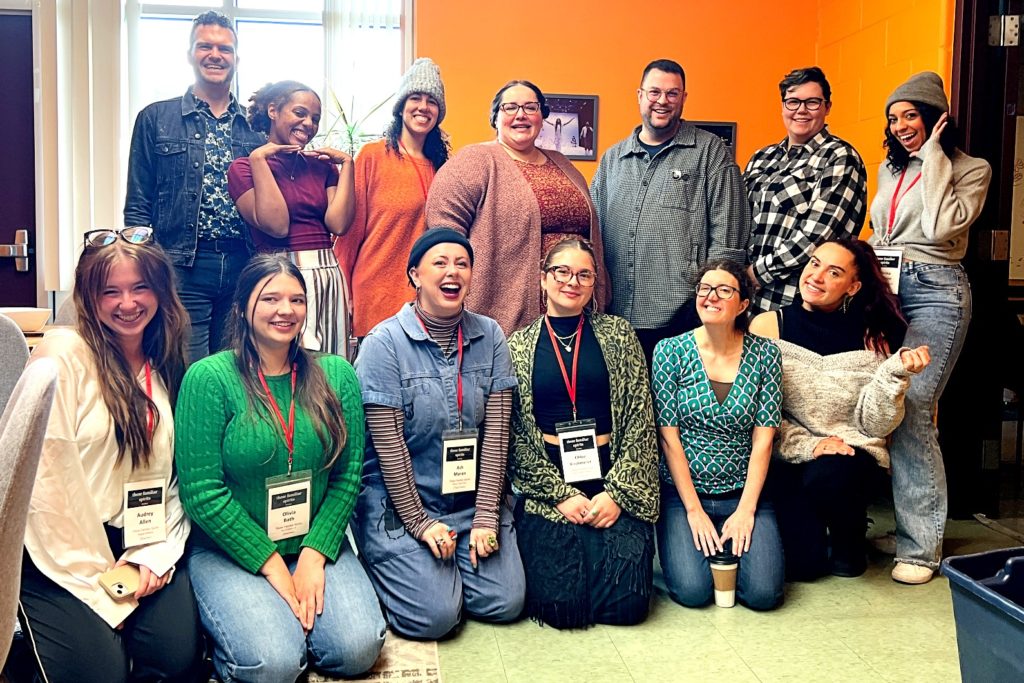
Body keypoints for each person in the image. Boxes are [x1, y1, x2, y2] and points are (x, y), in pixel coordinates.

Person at [175, 254, 385, 681]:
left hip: (312, 542)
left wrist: (313, 556)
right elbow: (202, 492)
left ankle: (292, 624)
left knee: (357, 649)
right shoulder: (208, 378)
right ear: (241, 308)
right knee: (272, 665)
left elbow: (347, 476)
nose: (285, 310)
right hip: (230, 551)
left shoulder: (337, 374)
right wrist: (271, 564)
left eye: (296, 299)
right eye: (270, 298)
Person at [19, 228, 201, 682]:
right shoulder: (61, 356)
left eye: (141, 287)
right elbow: (45, 489)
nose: (128, 303)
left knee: (176, 658)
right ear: (87, 295)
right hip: (59, 549)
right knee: (100, 673)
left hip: (143, 537)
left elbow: (179, 473)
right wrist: (102, 589)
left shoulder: (167, 357)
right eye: (110, 291)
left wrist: (153, 556)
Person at [352, 228, 525, 639]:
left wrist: (485, 516)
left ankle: (443, 573)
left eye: (462, 264)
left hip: (470, 502)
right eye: (440, 263)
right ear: (414, 274)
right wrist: (420, 523)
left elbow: (498, 434)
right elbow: (389, 450)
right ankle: (402, 567)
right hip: (402, 503)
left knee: (506, 602)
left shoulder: (491, 335)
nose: (453, 272)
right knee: (434, 618)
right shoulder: (384, 344)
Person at [868, 72, 992, 584]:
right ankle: (902, 526)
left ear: (936, 117)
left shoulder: (971, 168)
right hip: (889, 288)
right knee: (881, 400)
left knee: (915, 406)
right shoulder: (889, 169)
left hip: (939, 290)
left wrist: (935, 152)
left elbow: (943, 227)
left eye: (910, 116)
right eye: (893, 119)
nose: (901, 127)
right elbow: (880, 230)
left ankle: (920, 549)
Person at [749, 240, 930, 580]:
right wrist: (809, 446)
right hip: (787, 453)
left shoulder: (874, 334)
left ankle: (850, 534)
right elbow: (761, 410)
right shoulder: (768, 326)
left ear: (854, 286)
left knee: (831, 480)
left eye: (833, 272)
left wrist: (895, 375)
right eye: (814, 264)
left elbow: (875, 425)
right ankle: (811, 531)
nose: (816, 276)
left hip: (848, 458)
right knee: (804, 569)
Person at [508, 238, 659, 629]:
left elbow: (641, 420)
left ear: (594, 284)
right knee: (559, 608)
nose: (572, 281)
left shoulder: (619, 336)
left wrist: (617, 494)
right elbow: (515, 436)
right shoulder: (517, 346)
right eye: (562, 271)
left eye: (584, 274)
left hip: (614, 481)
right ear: (543, 279)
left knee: (627, 608)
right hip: (551, 487)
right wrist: (559, 495)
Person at [125, 10, 266, 362]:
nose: (215, 55)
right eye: (205, 46)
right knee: (188, 373)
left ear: (236, 58)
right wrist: (141, 268)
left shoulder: (257, 129)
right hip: (181, 265)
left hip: (243, 264)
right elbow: (138, 205)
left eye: (225, 48)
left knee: (236, 372)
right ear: (190, 54)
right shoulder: (156, 118)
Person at [591, 59, 750, 367]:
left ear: (684, 98)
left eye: (672, 93)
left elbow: (729, 241)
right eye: (654, 92)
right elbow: (592, 235)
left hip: (684, 319)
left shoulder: (710, 152)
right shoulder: (613, 160)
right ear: (639, 95)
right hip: (615, 319)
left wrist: (713, 305)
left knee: (675, 413)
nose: (662, 101)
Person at [425, 80, 609, 335]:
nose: (521, 114)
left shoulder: (562, 162)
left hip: (574, 311)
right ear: (495, 118)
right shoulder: (474, 161)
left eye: (530, 107)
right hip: (506, 317)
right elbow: (443, 233)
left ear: (542, 117)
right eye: (510, 107)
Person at [653, 259, 784, 610]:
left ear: (742, 304)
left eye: (724, 290)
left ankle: (727, 549)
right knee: (693, 593)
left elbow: (764, 440)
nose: (711, 296)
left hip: (743, 492)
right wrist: (694, 510)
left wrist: (746, 509)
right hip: (684, 495)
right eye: (705, 289)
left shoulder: (766, 354)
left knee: (763, 595)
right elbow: (669, 437)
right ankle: (697, 547)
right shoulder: (669, 351)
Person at [228, 80, 354, 357]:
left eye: (315, 118)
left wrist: (347, 166)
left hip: (327, 273)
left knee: (332, 361)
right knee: (287, 362)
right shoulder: (243, 167)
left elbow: (339, 224)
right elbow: (277, 225)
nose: (308, 123)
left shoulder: (322, 166)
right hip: (280, 275)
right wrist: (260, 160)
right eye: (300, 113)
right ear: (273, 111)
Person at [334, 57, 449, 343]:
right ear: (401, 106)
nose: (423, 107)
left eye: (431, 101)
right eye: (415, 98)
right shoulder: (372, 157)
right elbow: (349, 232)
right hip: (377, 297)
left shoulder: (444, 167)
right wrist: (344, 292)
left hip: (427, 301)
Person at [745, 67, 867, 313]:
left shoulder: (840, 158)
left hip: (799, 302)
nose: (801, 110)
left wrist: (755, 275)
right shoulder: (762, 158)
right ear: (782, 106)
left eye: (812, 102)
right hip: (747, 300)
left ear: (827, 107)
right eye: (792, 102)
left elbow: (817, 236)